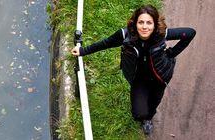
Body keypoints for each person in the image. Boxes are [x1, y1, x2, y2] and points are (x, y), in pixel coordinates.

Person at [71, 4, 196, 135]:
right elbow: (106, 43)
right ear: (135, 23)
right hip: (138, 79)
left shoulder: (161, 34)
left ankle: (148, 119)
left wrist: (171, 53)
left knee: (154, 102)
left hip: (159, 76)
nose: (145, 27)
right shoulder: (126, 35)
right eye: (141, 22)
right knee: (138, 113)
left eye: (149, 23)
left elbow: (190, 33)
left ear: (154, 24)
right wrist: (83, 51)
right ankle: (143, 117)